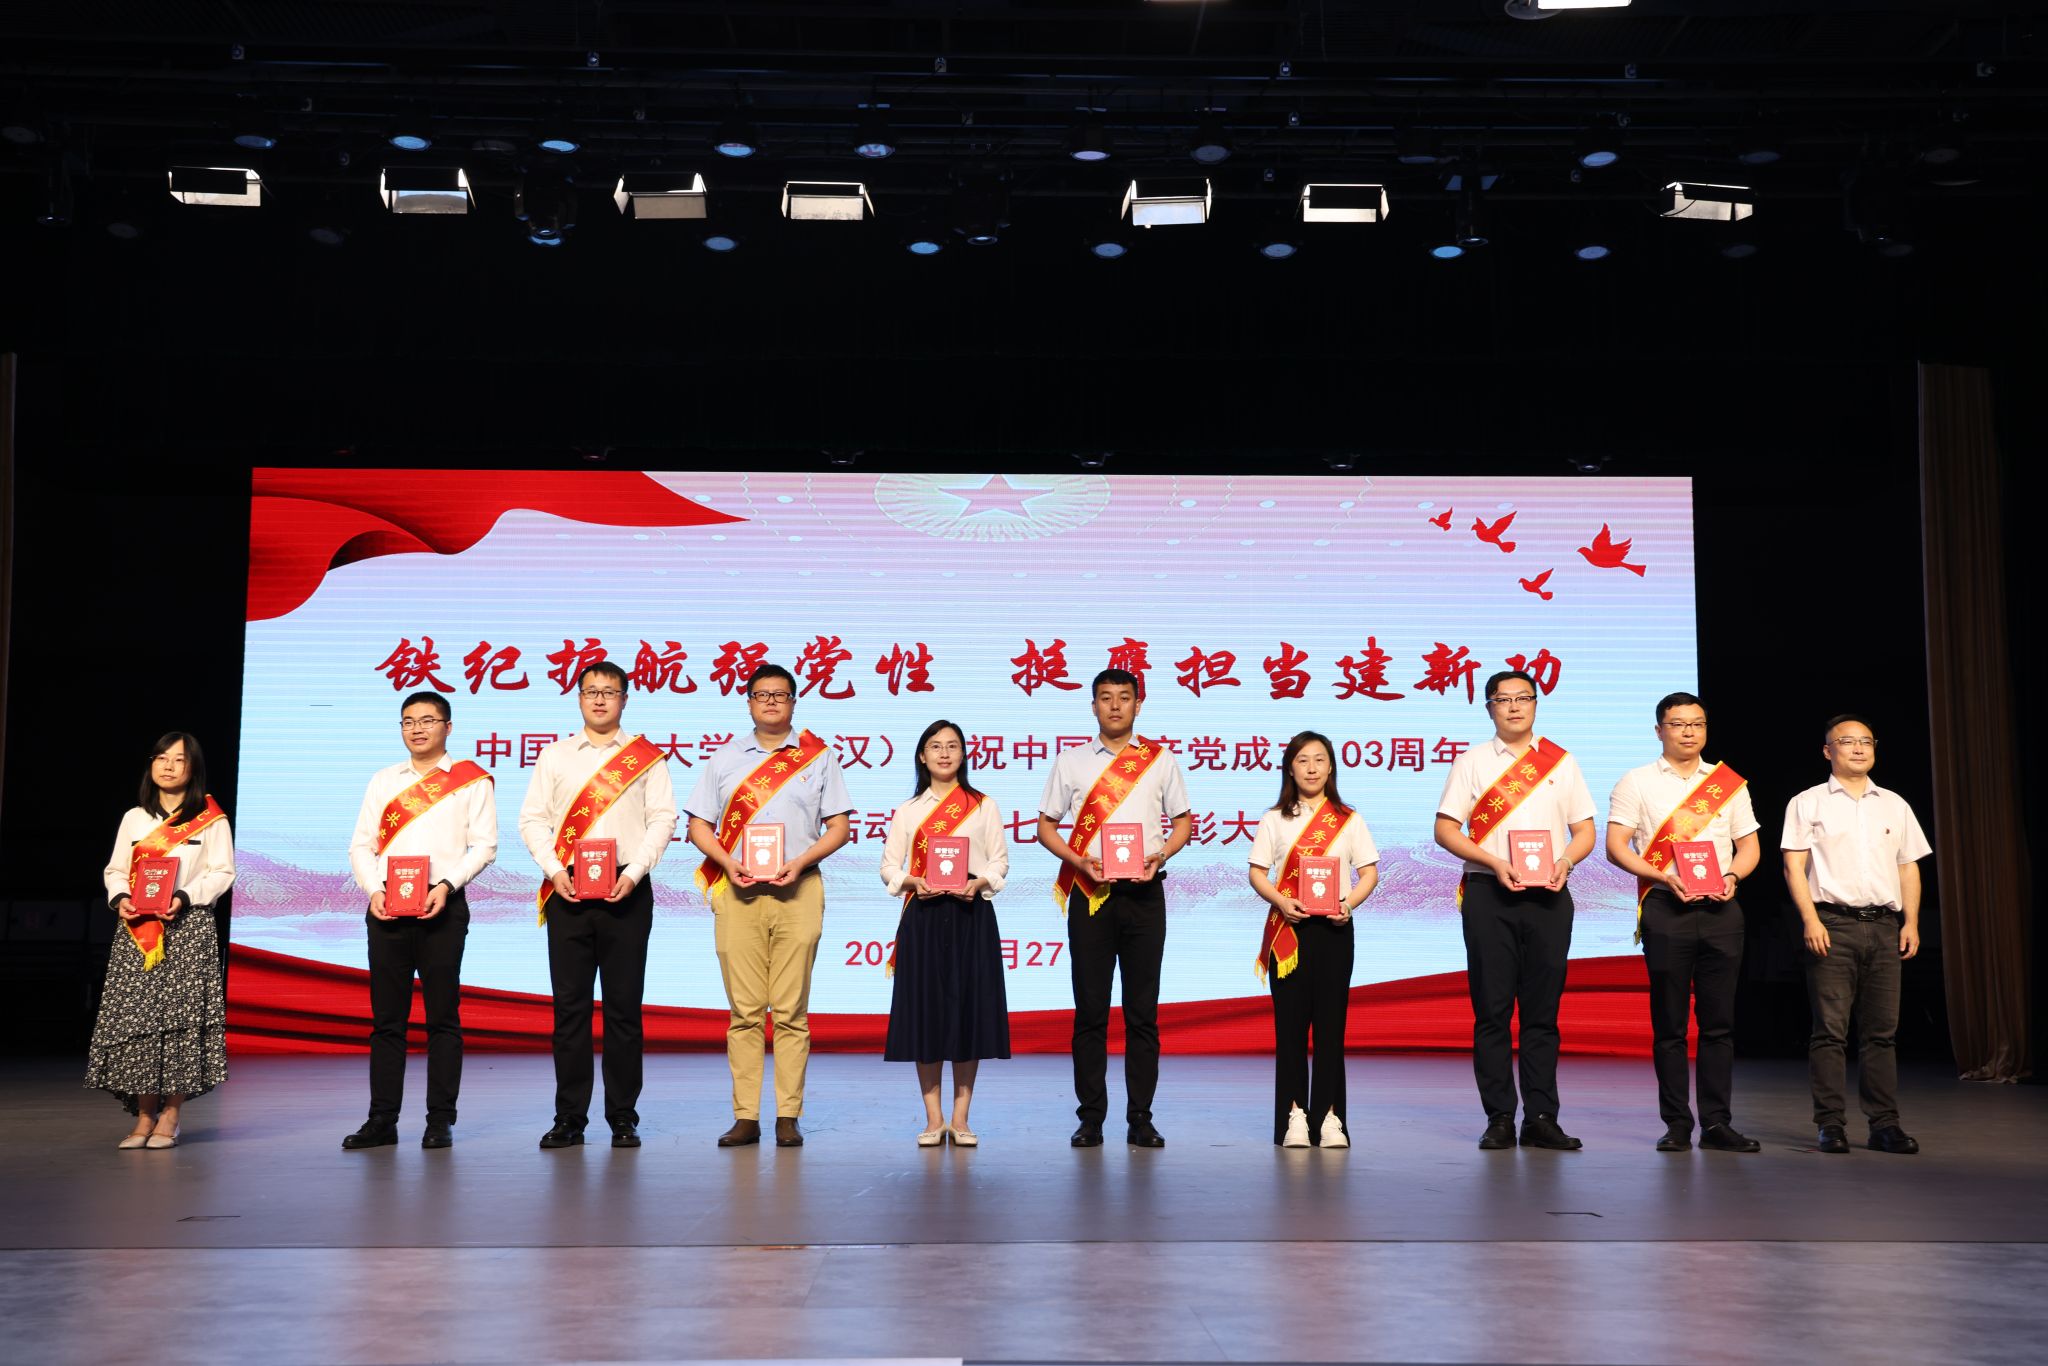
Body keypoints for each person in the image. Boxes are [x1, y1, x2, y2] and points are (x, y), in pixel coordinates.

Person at [685, 663, 853, 1148]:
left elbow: (839, 827)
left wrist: (800, 861)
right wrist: (726, 861)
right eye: (762, 695)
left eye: (780, 695)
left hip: (799, 891)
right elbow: (698, 825)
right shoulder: (725, 758)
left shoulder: (818, 757)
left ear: (794, 702)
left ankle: (787, 1115)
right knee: (744, 1011)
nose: (772, 702)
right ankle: (745, 1116)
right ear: (749, 703)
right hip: (737, 892)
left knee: (791, 1010)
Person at [1433, 669, 1597, 1151]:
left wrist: (1565, 861)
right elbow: (1445, 829)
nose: (1514, 706)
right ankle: (1500, 1117)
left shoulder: (1561, 762)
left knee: (1542, 1014)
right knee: (1492, 1010)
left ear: (1535, 704)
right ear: (1490, 708)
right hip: (1489, 893)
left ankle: (1542, 1117)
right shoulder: (1472, 762)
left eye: (1523, 697)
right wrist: (1493, 861)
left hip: (1549, 894)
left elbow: (1585, 831)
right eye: (1503, 699)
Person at [517, 661, 676, 1150]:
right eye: (591, 691)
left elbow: (663, 819)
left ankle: (623, 1116)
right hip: (567, 891)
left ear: (625, 699)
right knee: (570, 1010)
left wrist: (634, 873)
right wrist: (554, 870)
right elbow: (532, 820)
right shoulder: (555, 756)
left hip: (627, 891)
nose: (600, 699)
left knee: (624, 1010)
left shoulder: (646, 758)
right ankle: (570, 1117)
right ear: (579, 698)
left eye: (610, 691)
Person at [1037, 668, 1192, 1149]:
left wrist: (1160, 855)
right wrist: (1078, 860)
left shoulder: (1159, 760)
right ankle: (1091, 1118)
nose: (1115, 706)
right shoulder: (1071, 762)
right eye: (1105, 698)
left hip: (1145, 896)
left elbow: (1183, 823)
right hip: (1092, 896)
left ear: (1138, 704)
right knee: (1090, 1012)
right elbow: (1045, 827)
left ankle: (1141, 1117)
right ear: (1093, 706)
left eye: (1124, 697)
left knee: (1142, 1012)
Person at [1604, 692, 1761, 1153]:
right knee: (1670, 1025)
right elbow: (1616, 846)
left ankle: (1717, 1123)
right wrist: (1662, 876)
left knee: (1719, 1024)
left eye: (1697, 723)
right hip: (1665, 907)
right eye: (1677, 724)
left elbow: (1749, 846)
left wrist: (1733, 876)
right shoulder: (1636, 781)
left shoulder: (1727, 783)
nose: (1689, 732)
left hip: (1721, 910)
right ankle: (1676, 1124)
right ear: (1659, 730)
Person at [341, 691, 497, 1151]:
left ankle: (440, 1120)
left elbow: (485, 845)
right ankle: (381, 1120)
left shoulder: (470, 781)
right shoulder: (384, 780)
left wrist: (445, 885)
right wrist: (374, 891)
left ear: (448, 727)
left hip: (442, 908)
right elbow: (361, 845)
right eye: (408, 721)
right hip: (386, 910)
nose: (417, 729)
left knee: (442, 1018)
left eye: (428, 720)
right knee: (387, 1020)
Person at [1782, 713, 1932, 1155]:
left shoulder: (1894, 804)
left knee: (1882, 1032)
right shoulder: (1807, 802)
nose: (1859, 748)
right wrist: (1810, 920)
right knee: (1830, 1031)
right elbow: (1793, 866)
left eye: (1866, 740)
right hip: (1833, 924)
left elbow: (1908, 866)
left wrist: (1911, 921)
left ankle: (1885, 1125)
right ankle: (1830, 1124)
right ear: (1828, 751)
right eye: (1847, 741)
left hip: (1884, 926)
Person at [88, 733, 234, 1148]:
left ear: (194, 768)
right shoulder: (134, 818)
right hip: (138, 932)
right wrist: (120, 897)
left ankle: (170, 1116)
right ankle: (143, 1117)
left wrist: (185, 896)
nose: (168, 766)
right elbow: (116, 870)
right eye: (161, 758)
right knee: (140, 1024)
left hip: (188, 928)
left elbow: (223, 872)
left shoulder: (211, 819)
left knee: (179, 1023)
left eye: (179, 759)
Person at [880, 720, 1012, 1146]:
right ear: (922, 756)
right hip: (923, 914)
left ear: (963, 754)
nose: (944, 753)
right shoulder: (908, 810)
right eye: (935, 746)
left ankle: (961, 1118)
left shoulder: (982, 805)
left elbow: (999, 861)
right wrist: (912, 882)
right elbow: (889, 866)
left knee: (968, 1013)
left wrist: (980, 881)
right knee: (926, 1014)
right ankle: (934, 1119)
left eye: (952, 746)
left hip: (971, 914)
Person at [1248, 730, 1380, 1148]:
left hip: (1335, 932)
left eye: (1319, 759)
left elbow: (1369, 873)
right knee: (1289, 1031)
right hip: (1289, 933)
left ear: (1331, 767)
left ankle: (1329, 1117)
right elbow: (1257, 873)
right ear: (1290, 768)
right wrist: (1281, 901)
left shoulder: (1349, 819)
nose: (1311, 768)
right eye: (1302, 760)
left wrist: (1349, 904)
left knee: (1330, 1030)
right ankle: (1294, 1117)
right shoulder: (1274, 819)